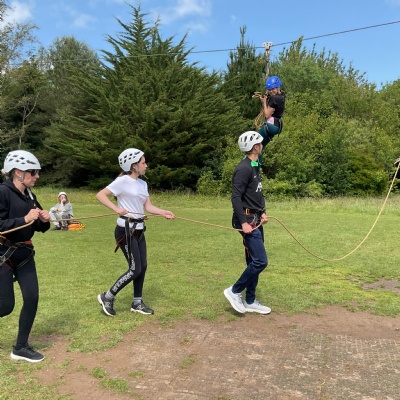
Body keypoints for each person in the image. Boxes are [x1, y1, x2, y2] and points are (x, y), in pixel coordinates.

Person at [96, 148, 175, 317]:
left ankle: (137, 302)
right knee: (134, 269)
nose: (146, 165)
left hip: (139, 230)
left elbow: (148, 207)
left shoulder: (143, 184)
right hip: (125, 230)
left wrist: (163, 212)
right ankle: (107, 296)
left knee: (142, 267)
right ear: (133, 166)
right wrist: (117, 209)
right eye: (143, 163)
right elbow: (101, 195)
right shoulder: (122, 181)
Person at [0, 150, 51, 362]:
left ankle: (20, 347)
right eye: (33, 172)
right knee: (5, 306)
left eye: (37, 172)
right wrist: (24, 219)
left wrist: (44, 220)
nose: (36, 176)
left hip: (25, 255)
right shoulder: (2, 192)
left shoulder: (30, 195)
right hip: (3, 255)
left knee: (32, 297)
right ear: (18, 172)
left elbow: (37, 226)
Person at [223, 131, 271, 315]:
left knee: (253, 260)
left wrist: (263, 212)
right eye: (260, 143)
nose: (262, 145)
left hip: (256, 219)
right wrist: (243, 223)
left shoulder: (255, 165)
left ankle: (250, 300)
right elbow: (236, 197)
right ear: (254, 147)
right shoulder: (243, 168)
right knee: (260, 261)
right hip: (246, 221)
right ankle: (234, 291)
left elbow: (257, 193)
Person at [258, 75, 285, 147]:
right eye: (269, 90)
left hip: (271, 125)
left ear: (278, 87)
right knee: (260, 147)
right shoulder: (282, 96)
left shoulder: (274, 98)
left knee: (255, 144)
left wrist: (264, 102)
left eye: (273, 89)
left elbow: (267, 115)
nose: (271, 91)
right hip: (277, 125)